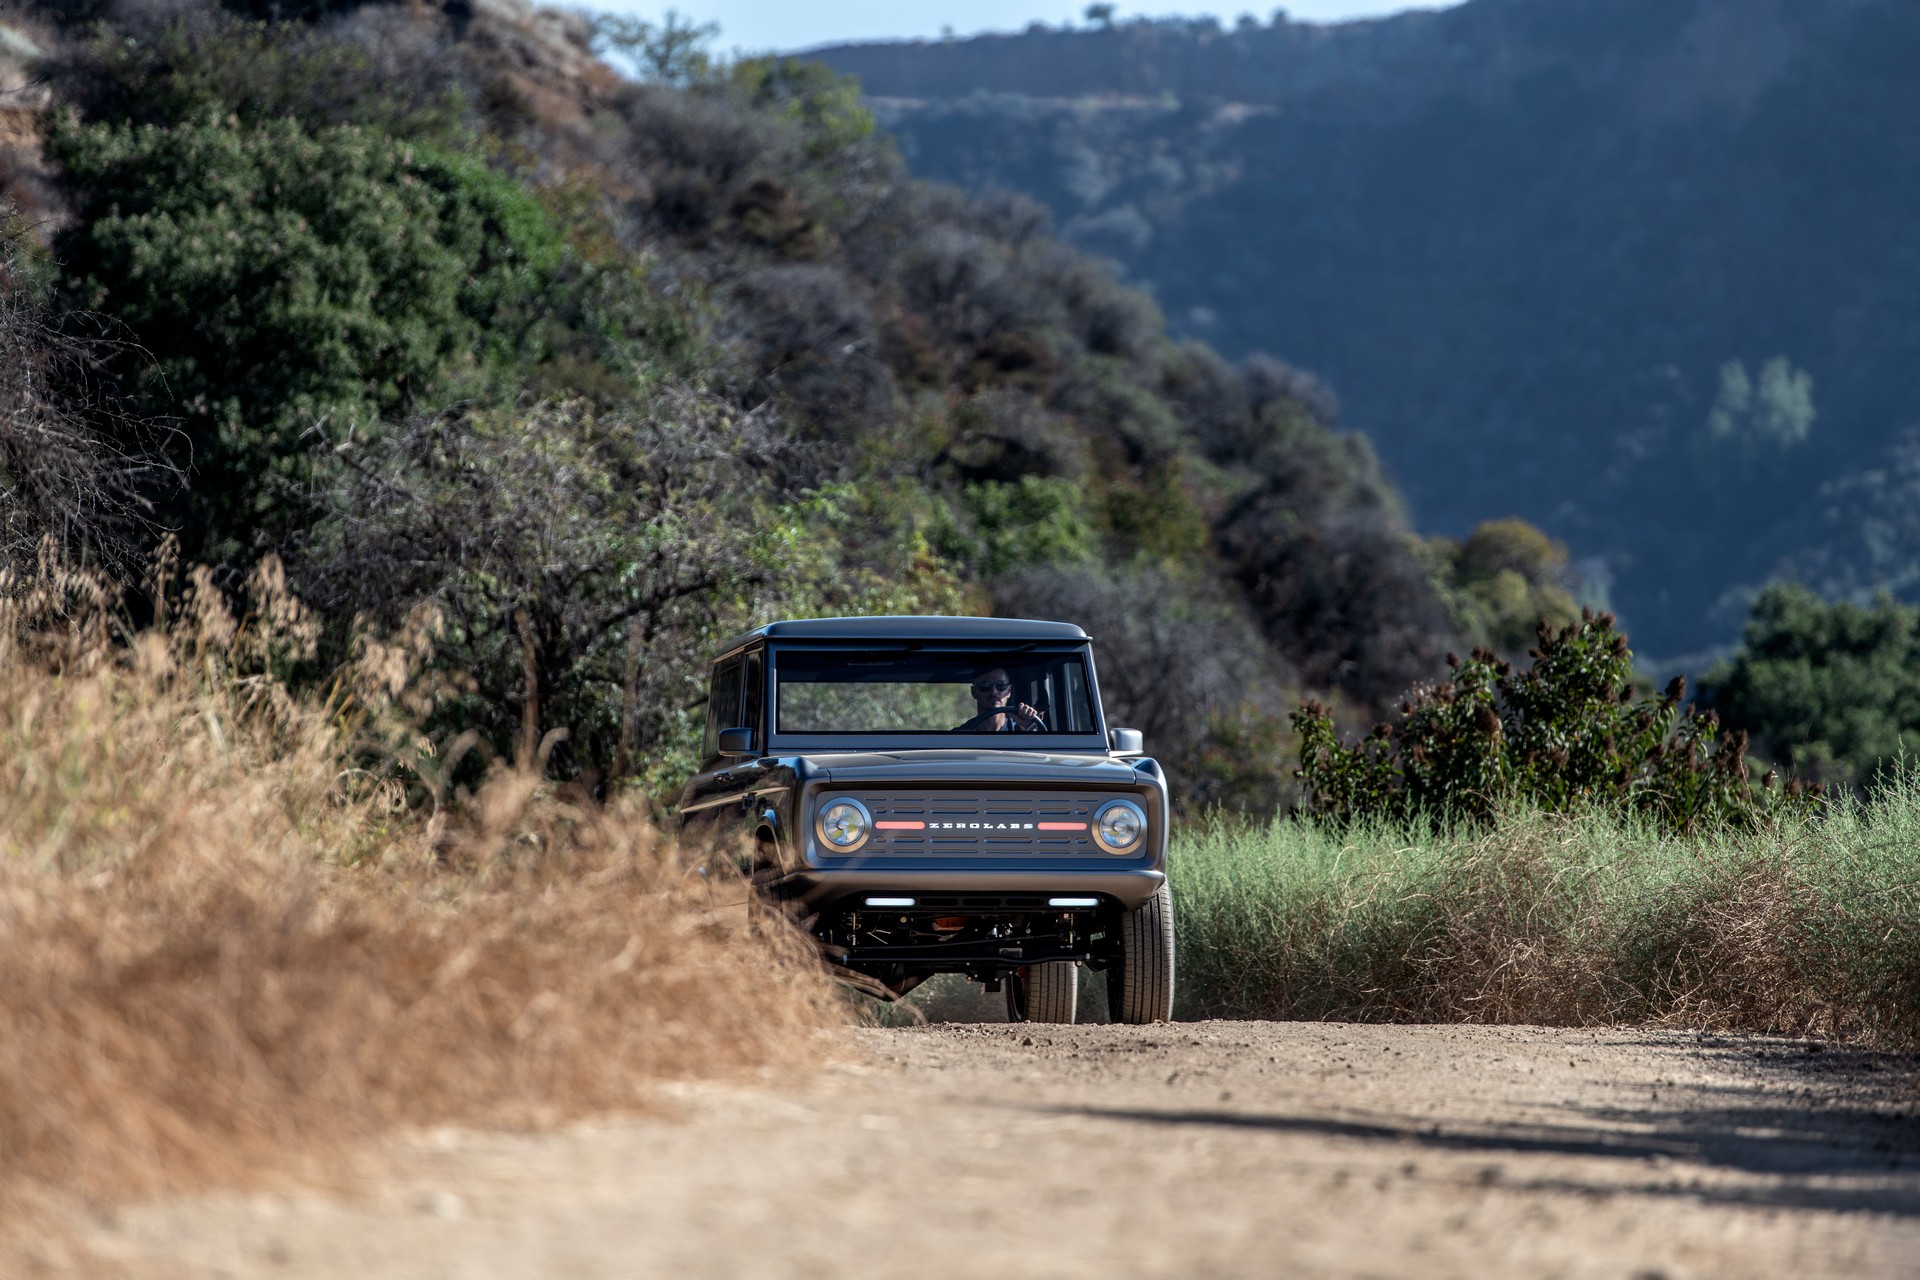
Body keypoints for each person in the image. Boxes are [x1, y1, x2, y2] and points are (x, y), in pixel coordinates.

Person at [955, 666, 1046, 732]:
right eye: (985, 686)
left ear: (1009, 691)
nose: (994, 691)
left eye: (1000, 685)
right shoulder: (960, 735)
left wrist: (1029, 726)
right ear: (974, 692)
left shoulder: (1023, 730)